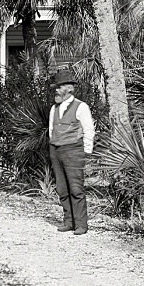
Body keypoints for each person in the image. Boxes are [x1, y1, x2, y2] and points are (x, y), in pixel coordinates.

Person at [48, 68, 95, 235]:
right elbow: (51, 129)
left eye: (59, 87)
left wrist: (87, 154)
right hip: (56, 150)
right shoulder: (54, 108)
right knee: (62, 188)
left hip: (74, 150)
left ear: (68, 88)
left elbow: (89, 130)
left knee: (76, 188)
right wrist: (52, 146)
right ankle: (68, 221)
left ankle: (81, 224)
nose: (56, 90)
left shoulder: (81, 107)